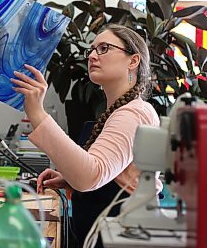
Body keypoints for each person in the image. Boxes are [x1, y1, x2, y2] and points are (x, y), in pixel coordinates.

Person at [11, 24, 161, 248]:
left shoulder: (135, 113)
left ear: (133, 61)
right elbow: (110, 175)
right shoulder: (119, 112)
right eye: (91, 50)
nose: (91, 55)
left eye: (104, 48)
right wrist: (69, 179)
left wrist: (37, 113)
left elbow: (92, 175)